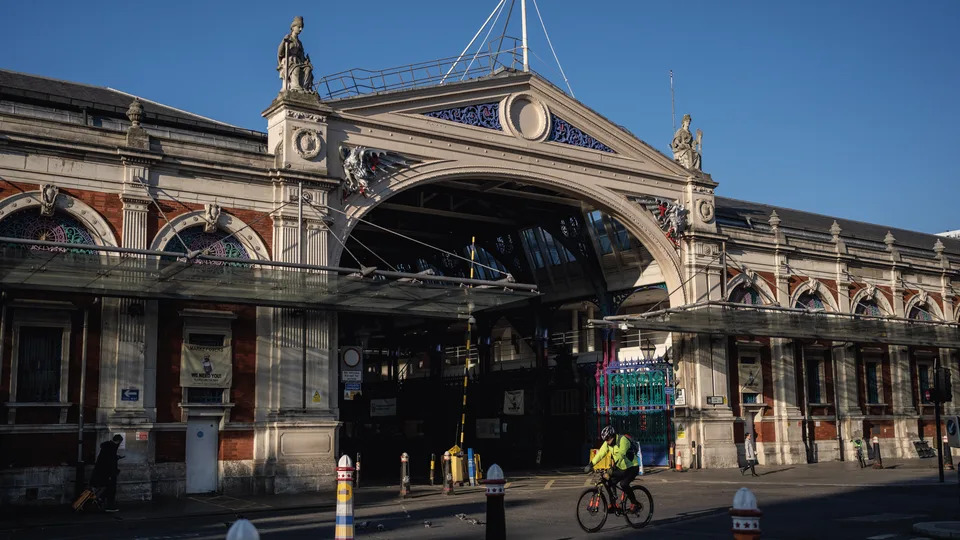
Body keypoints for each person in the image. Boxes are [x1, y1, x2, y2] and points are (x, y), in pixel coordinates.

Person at [583, 425, 641, 512]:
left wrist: (611, 470)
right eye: (605, 440)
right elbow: (600, 454)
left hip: (632, 467)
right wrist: (591, 465)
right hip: (621, 468)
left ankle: (635, 503)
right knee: (608, 481)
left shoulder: (622, 440)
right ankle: (613, 504)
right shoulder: (607, 443)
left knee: (624, 484)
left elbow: (621, 455)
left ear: (613, 435)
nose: (607, 442)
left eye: (608, 439)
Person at [91, 434, 124, 511]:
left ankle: (101, 500)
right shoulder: (112, 448)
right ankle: (109, 506)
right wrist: (113, 473)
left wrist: (116, 457)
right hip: (108, 473)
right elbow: (110, 463)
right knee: (111, 490)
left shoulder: (106, 446)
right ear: (118, 441)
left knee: (105, 488)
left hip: (101, 472)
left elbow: (106, 459)